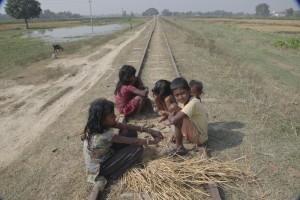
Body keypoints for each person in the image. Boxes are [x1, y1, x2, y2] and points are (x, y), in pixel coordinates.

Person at [81, 98, 163, 196]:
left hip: (105, 153)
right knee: (137, 149)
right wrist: (154, 142)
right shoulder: (104, 136)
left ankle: (116, 164)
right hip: (100, 167)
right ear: (103, 119)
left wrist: (149, 130)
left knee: (131, 133)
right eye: (112, 116)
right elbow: (134, 141)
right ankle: (115, 174)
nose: (115, 116)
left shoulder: (97, 125)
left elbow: (125, 126)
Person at [164, 77, 208, 155]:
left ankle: (179, 147)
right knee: (176, 112)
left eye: (183, 93)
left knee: (177, 118)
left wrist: (170, 118)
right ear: (173, 95)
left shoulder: (193, 102)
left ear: (189, 90)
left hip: (200, 137)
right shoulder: (184, 101)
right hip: (194, 132)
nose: (180, 97)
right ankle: (180, 141)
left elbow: (173, 120)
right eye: (177, 95)